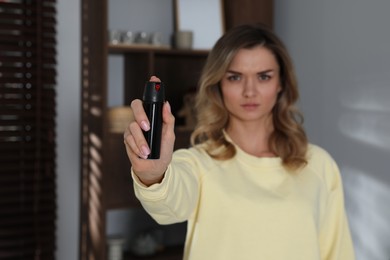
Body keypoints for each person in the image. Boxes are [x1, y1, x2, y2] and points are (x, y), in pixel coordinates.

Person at [124, 23, 355, 260]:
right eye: (235, 77)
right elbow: (167, 204)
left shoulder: (319, 164)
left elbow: (338, 253)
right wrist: (153, 176)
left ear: (281, 84)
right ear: (218, 84)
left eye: (264, 76)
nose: (250, 91)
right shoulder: (197, 164)